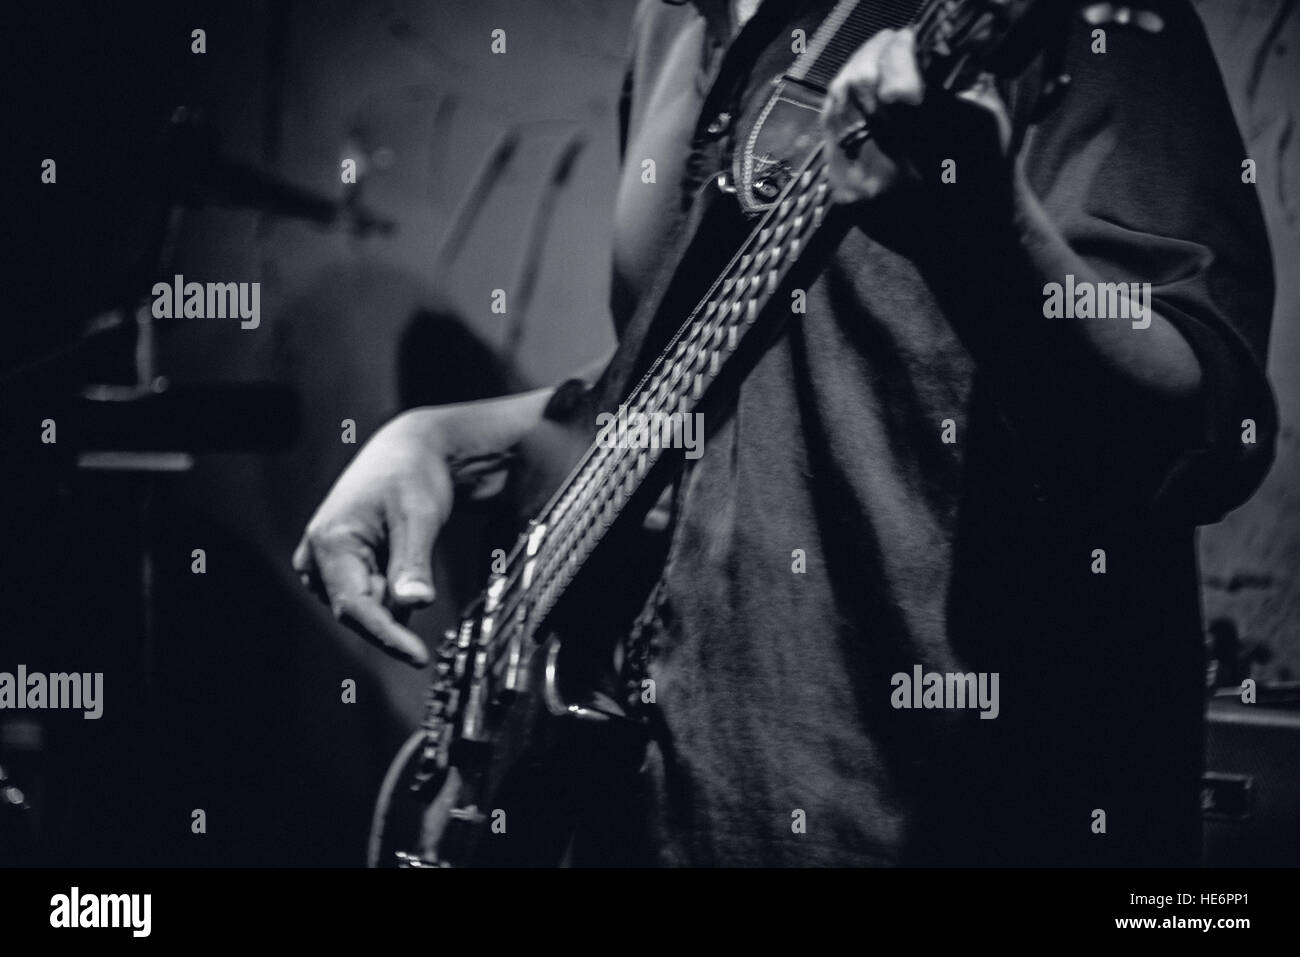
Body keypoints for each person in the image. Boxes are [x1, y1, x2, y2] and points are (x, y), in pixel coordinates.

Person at [294, 0, 1276, 866]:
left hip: (927, 819)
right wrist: (451, 437)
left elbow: (1205, 434)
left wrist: (990, 247)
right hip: (648, 813)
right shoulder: (674, 21)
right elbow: (693, 399)